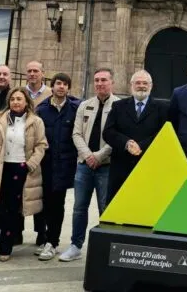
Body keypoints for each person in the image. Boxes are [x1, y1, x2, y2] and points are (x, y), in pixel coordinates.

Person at [0, 87, 48, 262]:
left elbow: (41, 145)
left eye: (19, 99)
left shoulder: (35, 121)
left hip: (20, 169)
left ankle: (5, 248)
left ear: (26, 102)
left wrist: (30, 164)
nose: (15, 102)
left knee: (11, 211)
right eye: (13, 99)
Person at [59, 67, 118, 262]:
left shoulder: (119, 106)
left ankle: (106, 248)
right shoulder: (85, 105)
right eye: (97, 80)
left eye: (104, 80)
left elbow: (118, 137)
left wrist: (99, 156)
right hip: (84, 166)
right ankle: (76, 245)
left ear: (112, 82)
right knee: (79, 208)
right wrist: (87, 155)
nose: (100, 83)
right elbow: (76, 133)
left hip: (106, 166)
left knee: (105, 208)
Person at [32, 73, 80, 261]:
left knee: (57, 204)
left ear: (68, 88)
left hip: (64, 164)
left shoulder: (75, 108)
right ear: (52, 87)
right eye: (58, 83)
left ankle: (52, 241)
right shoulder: (42, 109)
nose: (61, 87)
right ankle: (45, 239)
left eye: (65, 84)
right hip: (45, 163)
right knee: (43, 203)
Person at [103, 69, 169, 201]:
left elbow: (164, 134)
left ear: (151, 86)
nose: (141, 86)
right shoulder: (118, 106)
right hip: (121, 168)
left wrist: (141, 146)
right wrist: (127, 143)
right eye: (138, 82)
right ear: (131, 85)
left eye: (145, 83)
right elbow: (108, 132)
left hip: (149, 167)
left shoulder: (162, 108)